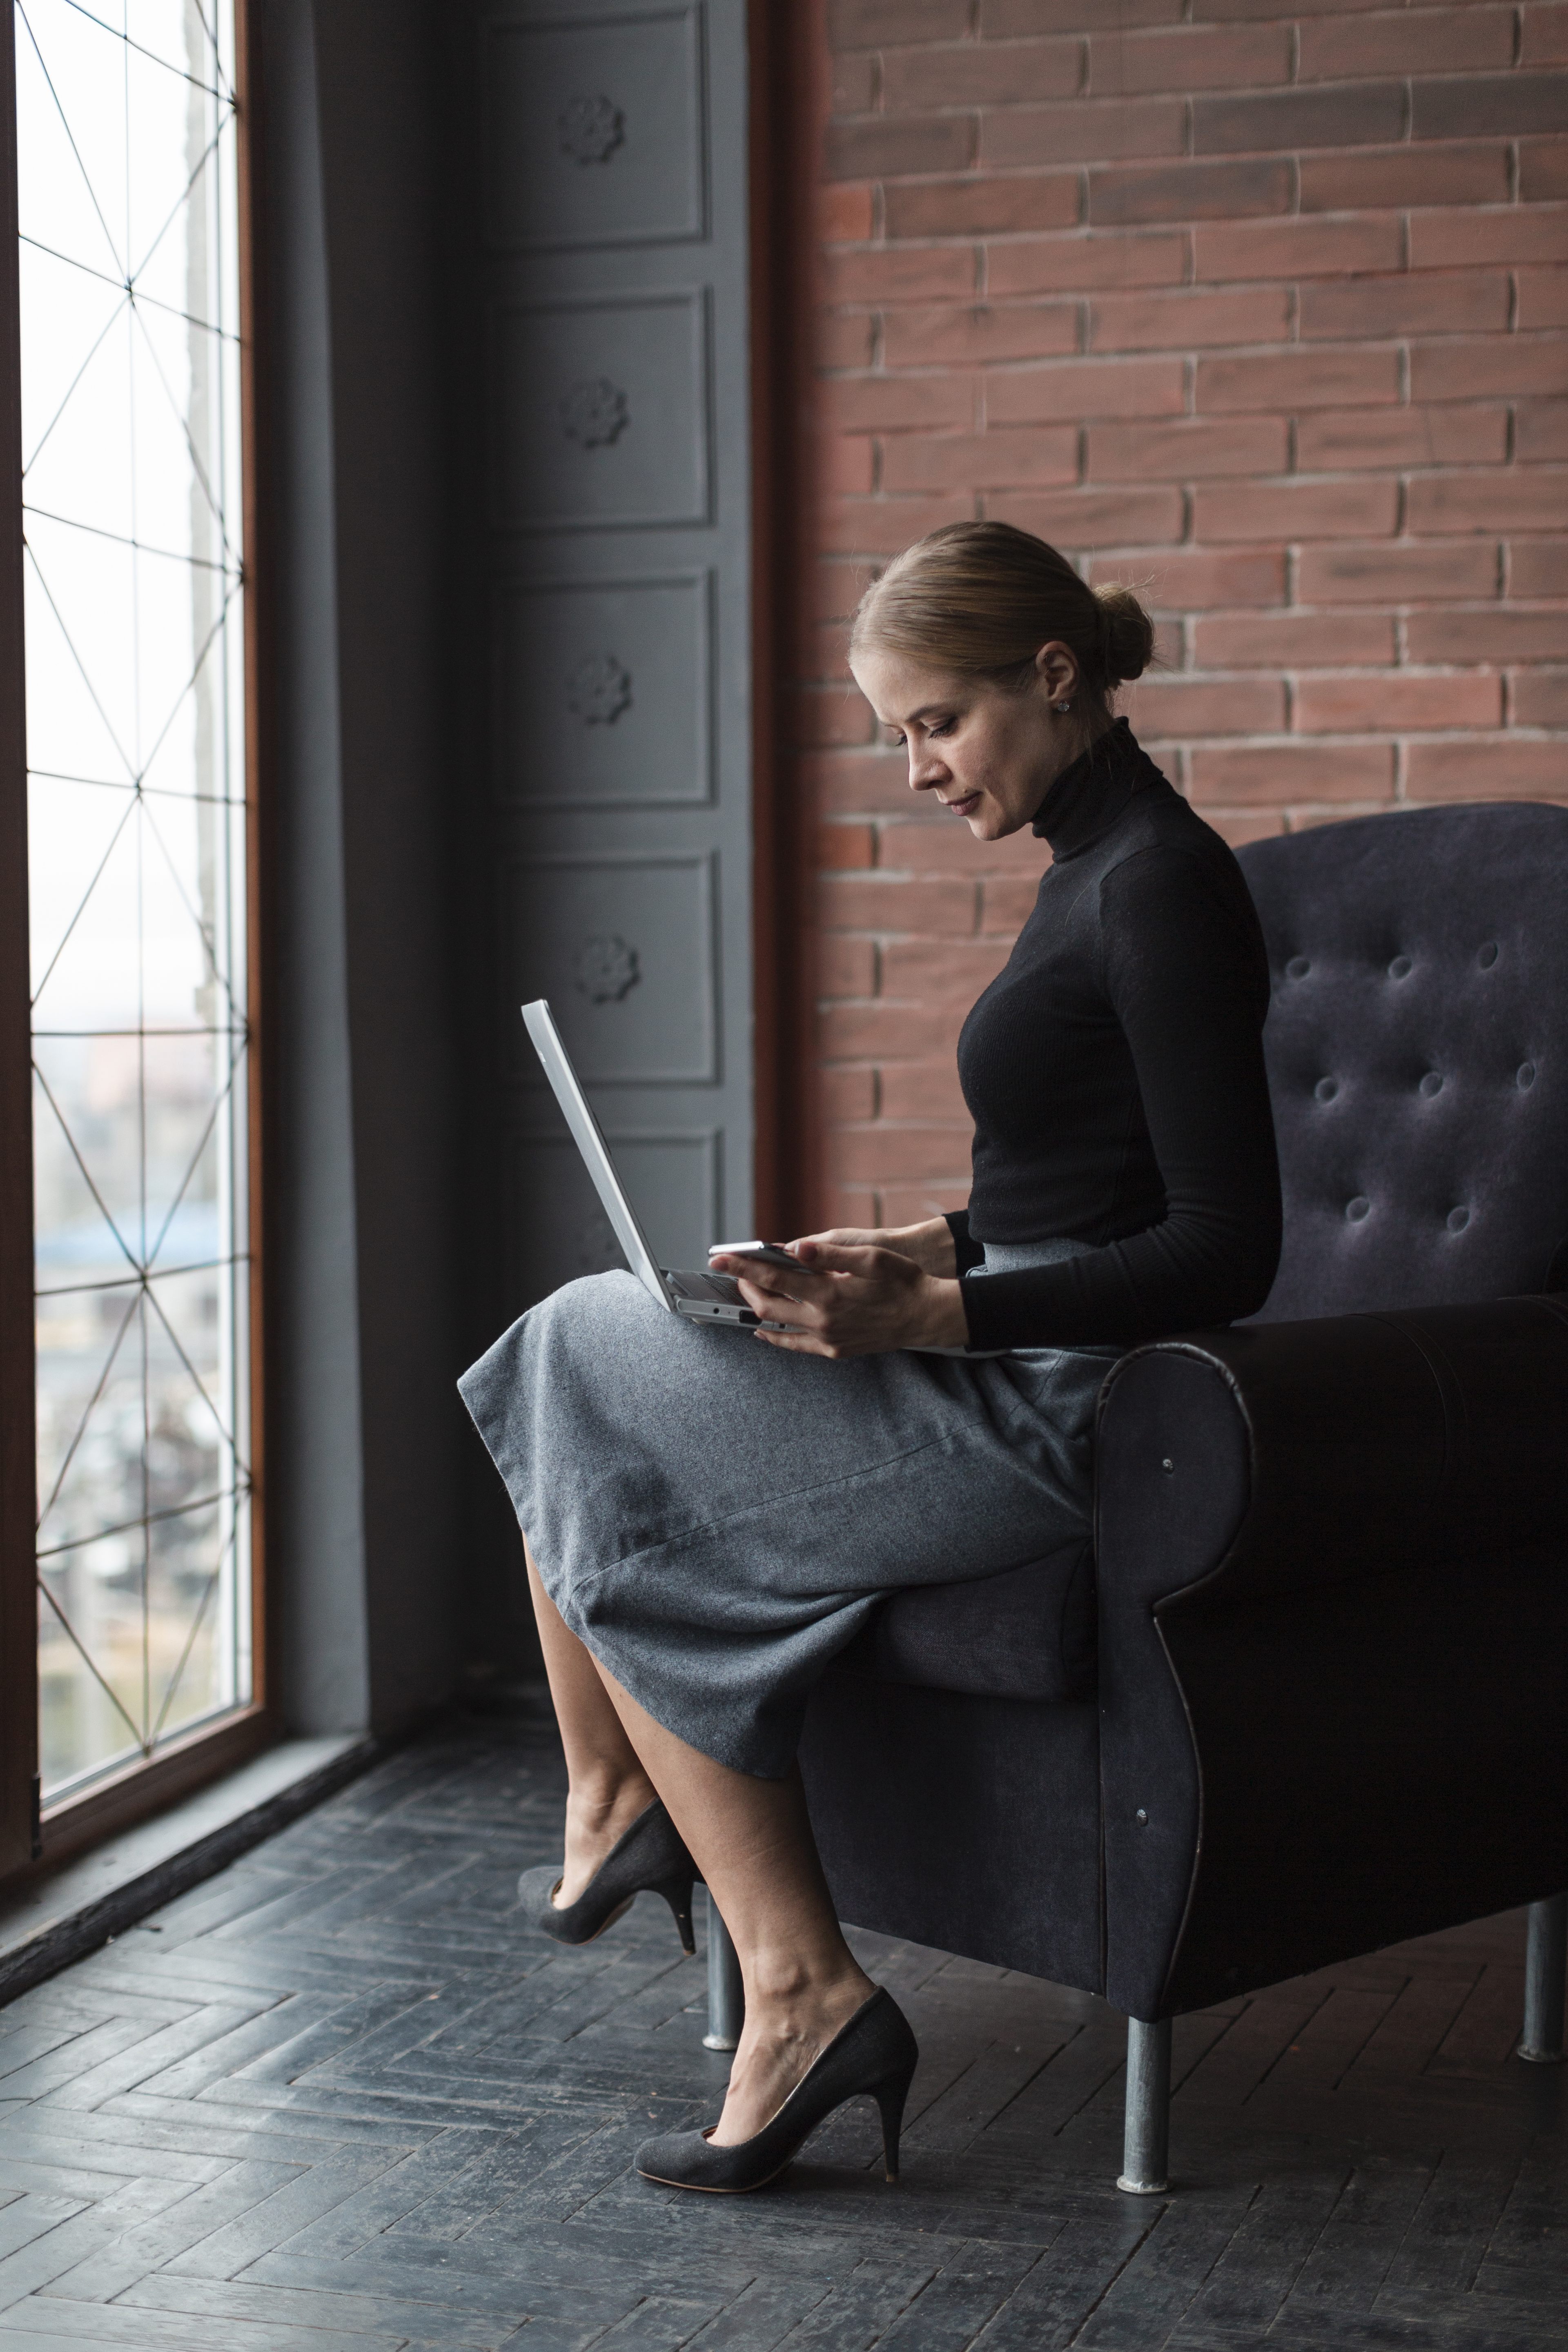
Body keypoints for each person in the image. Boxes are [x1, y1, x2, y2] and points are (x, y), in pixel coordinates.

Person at [459, 520, 1282, 2196]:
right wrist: (907, 1252)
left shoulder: (1166, 887)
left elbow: (1225, 1250)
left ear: (1053, 681)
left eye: (935, 724)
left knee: (577, 1364)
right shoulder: (1092, 868)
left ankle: (759, 1944)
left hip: (1069, 1419)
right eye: (895, 732)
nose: (913, 767)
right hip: (999, 1363)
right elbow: (1067, 1203)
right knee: (578, 1353)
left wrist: (931, 1320)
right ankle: (652, 1840)